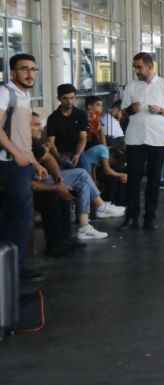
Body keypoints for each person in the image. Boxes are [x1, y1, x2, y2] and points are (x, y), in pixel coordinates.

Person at [32, 112, 125, 240]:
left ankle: (85, 226)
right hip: (36, 182)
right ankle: (99, 208)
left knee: (83, 180)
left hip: (45, 175)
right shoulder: (26, 141)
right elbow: (107, 170)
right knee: (82, 174)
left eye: (40, 125)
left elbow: (48, 158)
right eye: (36, 125)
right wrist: (58, 183)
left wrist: (59, 179)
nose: (41, 129)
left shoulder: (34, 142)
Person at [0, 53, 48, 280]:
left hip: (21, 163)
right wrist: (17, 154)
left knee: (18, 219)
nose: (30, 74)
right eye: (24, 69)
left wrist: (35, 162)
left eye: (33, 69)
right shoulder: (5, 93)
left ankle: (13, 269)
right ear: (12, 72)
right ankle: (12, 273)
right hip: (9, 165)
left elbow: (21, 135)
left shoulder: (23, 96)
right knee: (19, 220)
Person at [120, 52, 164, 231]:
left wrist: (160, 110)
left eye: (139, 67)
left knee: (154, 181)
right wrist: (132, 108)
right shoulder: (131, 86)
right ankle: (131, 217)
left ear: (150, 66)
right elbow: (123, 112)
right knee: (134, 180)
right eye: (135, 67)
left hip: (157, 139)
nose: (136, 70)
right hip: (135, 139)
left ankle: (150, 218)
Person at [81, 96, 128, 184]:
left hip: (95, 150)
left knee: (115, 157)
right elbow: (84, 139)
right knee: (104, 151)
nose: (101, 108)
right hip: (85, 152)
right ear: (89, 107)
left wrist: (107, 149)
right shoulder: (83, 118)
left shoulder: (97, 119)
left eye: (101, 105)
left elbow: (102, 138)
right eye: (98, 105)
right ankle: (109, 172)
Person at [46, 83, 89, 169]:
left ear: (75, 98)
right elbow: (51, 142)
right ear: (59, 99)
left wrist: (77, 155)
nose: (69, 102)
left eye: (72, 98)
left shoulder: (81, 114)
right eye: (65, 98)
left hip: (77, 151)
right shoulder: (53, 118)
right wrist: (59, 158)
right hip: (59, 153)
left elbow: (83, 138)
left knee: (85, 168)